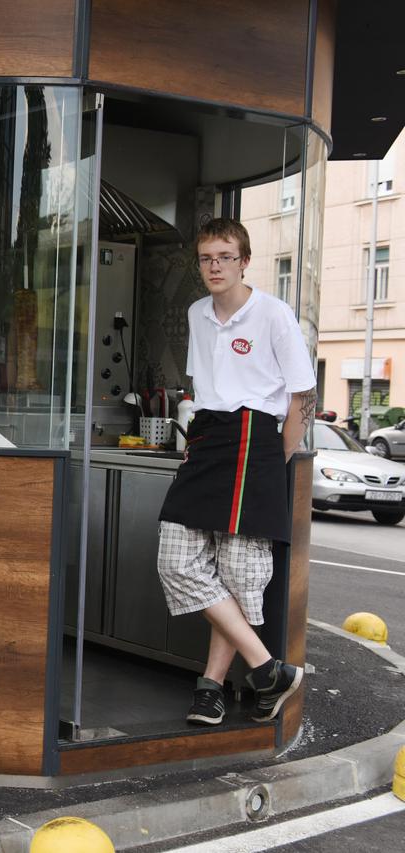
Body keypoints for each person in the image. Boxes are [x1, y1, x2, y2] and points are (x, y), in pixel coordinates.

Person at [157, 217, 317, 727]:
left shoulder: (273, 313)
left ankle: (211, 688)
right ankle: (268, 670)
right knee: (176, 560)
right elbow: (201, 386)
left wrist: (276, 459)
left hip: (256, 441)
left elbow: (302, 398)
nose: (215, 266)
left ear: (245, 260)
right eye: (207, 258)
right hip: (208, 437)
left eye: (226, 256)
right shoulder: (198, 313)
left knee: (241, 577)